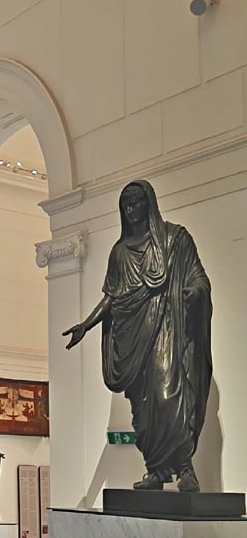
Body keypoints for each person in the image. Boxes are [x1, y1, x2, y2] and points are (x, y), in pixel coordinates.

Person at [63, 180, 212, 492]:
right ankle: (156, 471)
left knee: (169, 396)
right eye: (126, 205)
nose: (131, 210)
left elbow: (197, 275)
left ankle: (186, 469)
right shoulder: (119, 253)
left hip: (168, 329)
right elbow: (112, 298)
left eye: (136, 203)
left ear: (149, 204)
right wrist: (86, 325)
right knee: (143, 409)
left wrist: (195, 292)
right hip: (134, 339)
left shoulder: (174, 240)